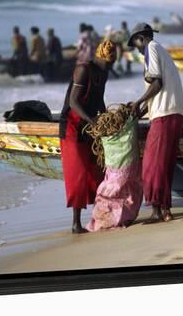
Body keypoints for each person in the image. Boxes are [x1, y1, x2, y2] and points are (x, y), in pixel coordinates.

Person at [127, 23, 183, 224]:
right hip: (174, 113)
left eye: (136, 44)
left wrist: (138, 101)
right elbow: (160, 89)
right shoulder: (162, 51)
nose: (137, 49)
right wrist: (141, 110)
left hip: (165, 115)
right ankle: (166, 210)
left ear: (141, 38)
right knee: (164, 165)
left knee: (151, 165)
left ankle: (157, 211)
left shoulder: (151, 48)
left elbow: (157, 83)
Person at [59, 40, 117, 233]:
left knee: (96, 171)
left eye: (111, 64)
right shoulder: (83, 70)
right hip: (73, 127)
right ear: (99, 57)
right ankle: (76, 223)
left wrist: (106, 118)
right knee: (79, 174)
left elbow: (99, 98)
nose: (108, 67)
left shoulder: (104, 73)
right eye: (106, 63)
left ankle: (98, 216)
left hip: (90, 127)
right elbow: (74, 102)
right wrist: (92, 121)